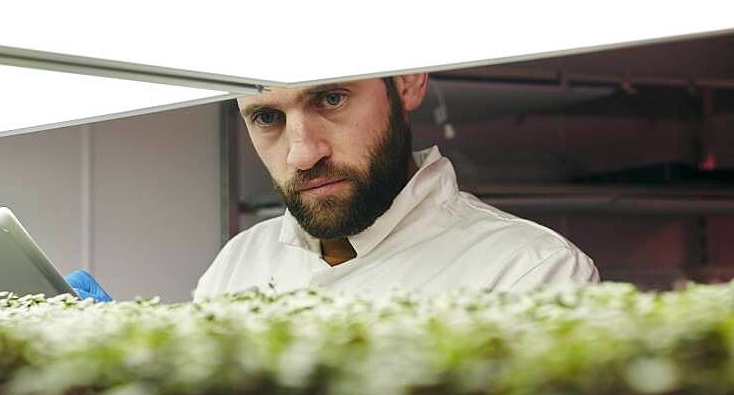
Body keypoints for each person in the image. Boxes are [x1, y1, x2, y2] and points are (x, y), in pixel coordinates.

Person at [68, 74, 598, 303]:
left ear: (408, 82)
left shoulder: (531, 272)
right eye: (268, 117)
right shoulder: (240, 262)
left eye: (332, 100)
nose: (302, 153)